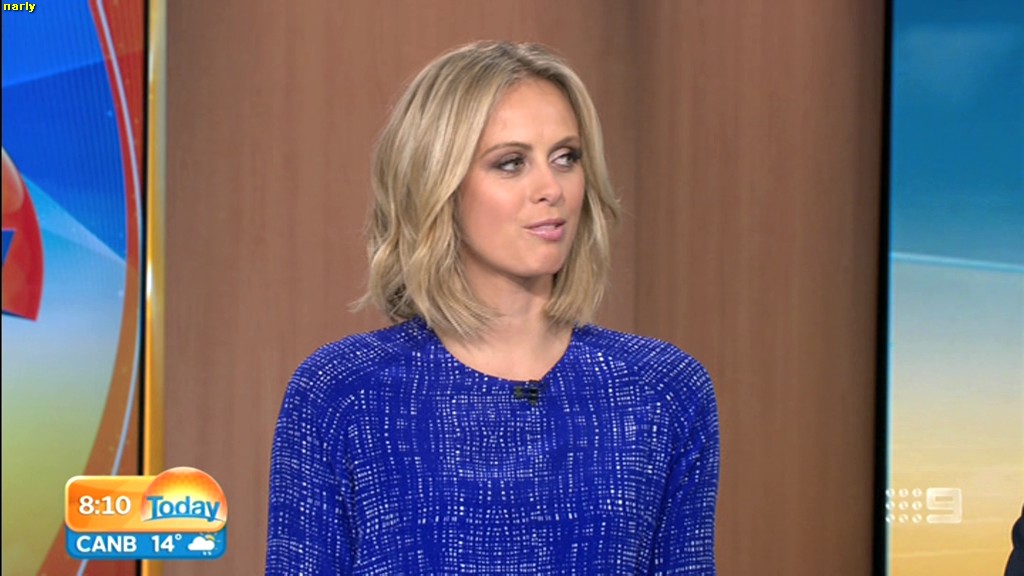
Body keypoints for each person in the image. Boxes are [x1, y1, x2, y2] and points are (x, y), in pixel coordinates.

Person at [266, 40, 719, 575]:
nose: (551, 189)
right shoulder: (343, 393)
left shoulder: (663, 391)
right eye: (511, 163)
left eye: (566, 158)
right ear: (438, 184)